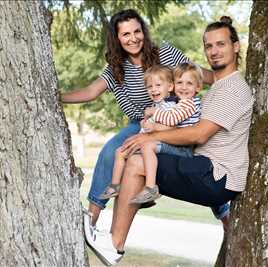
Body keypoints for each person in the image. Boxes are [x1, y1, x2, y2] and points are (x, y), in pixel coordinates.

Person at [84, 16, 254, 266]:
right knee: (137, 156)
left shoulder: (234, 88)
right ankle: (116, 235)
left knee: (137, 161)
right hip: (204, 168)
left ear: (236, 46)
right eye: (209, 46)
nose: (214, 51)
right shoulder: (218, 87)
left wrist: (150, 137)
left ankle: (114, 243)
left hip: (217, 175)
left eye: (221, 44)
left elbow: (199, 134)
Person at [60, 9, 216, 226]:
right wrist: (56, 97)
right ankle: (91, 219)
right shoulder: (116, 69)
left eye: (137, 31)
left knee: (202, 157)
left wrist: (228, 80)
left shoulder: (166, 54)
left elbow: (201, 75)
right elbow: (90, 92)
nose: (133, 38)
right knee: (110, 152)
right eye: (126, 34)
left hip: (175, 118)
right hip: (140, 124)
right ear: (117, 38)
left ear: (144, 31)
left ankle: (226, 217)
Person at [99, 63, 203, 204]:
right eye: (180, 82)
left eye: (189, 83)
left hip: (183, 148)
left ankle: (150, 188)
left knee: (147, 147)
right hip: (169, 143)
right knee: (121, 151)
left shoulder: (187, 104)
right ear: (175, 85)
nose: (183, 87)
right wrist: (145, 123)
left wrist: (153, 121)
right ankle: (115, 185)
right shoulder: (168, 104)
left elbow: (172, 122)